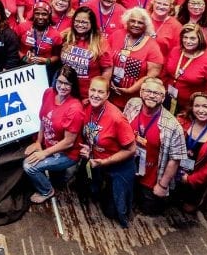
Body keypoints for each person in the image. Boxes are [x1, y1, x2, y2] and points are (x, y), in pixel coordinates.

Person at [77, 76, 137, 227]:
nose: (95, 95)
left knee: (113, 212)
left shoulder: (117, 118)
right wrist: (87, 149)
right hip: (95, 160)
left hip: (118, 165)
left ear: (108, 94)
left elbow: (131, 150)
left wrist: (105, 162)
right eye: (93, 90)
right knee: (87, 191)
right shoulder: (86, 106)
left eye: (100, 92)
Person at [122, 77, 186, 214]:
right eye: (148, 91)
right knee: (115, 208)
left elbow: (175, 160)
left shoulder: (173, 126)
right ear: (140, 92)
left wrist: (162, 185)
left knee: (150, 211)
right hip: (127, 167)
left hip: (151, 178)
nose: (151, 95)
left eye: (157, 93)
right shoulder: (132, 104)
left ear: (163, 98)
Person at [23, 65, 84, 203]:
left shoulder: (75, 109)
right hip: (50, 146)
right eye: (60, 82)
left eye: (67, 84)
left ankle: (47, 191)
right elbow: (43, 119)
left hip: (67, 153)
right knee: (28, 157)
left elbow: (68, 142)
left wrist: (44, 153)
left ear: (73, 85)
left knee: (28, 166)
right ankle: (59, 174)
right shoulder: (49, 93)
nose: (62, 87)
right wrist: (38, 142)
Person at [173, 92, 207, 213]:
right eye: (197, 106)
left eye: (205, 106)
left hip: (196, 177)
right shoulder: (181, 122)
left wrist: (190, 179)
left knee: (188, 210)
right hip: (175, 169)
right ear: (192, 107)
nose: (201, 110)